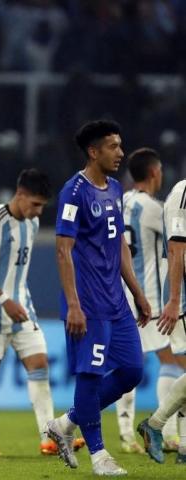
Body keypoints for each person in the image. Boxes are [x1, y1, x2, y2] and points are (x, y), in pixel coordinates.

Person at [47, 119, 151, 476]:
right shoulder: (73, 192)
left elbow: (119, 243)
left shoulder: (115, 189)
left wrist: (137, 292)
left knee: (132, 372)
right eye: (113, 146)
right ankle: (99, 456)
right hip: (87, 303)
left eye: (120, 145)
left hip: (116, 302)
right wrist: (73, 304)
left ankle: (66, 424)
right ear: (94, 152)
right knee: (89, 377)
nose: (121, 153)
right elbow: (63, 250)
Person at [0, 168, 75, 456]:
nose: (38, 210)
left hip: (22, 307)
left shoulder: (33, 223)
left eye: (41, 205)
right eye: (35, 203)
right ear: (20, 194)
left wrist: (15, 301)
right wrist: (4, 300)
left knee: (39, 365)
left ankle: (49, 438)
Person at [115, 148, 184, 453]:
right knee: (171, 360)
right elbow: (176, 245)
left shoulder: (121, 202)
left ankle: (128, 433)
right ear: (155, 172)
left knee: (128, 364)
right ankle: (167, 433)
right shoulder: (156, 209)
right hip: (150, 300)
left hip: (121, 294)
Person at [136, 172, 186, 465]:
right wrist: (175, 300)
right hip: (183, 297)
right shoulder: (182, 192)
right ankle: (155, 426)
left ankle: (179, 445)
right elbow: (177, 248)